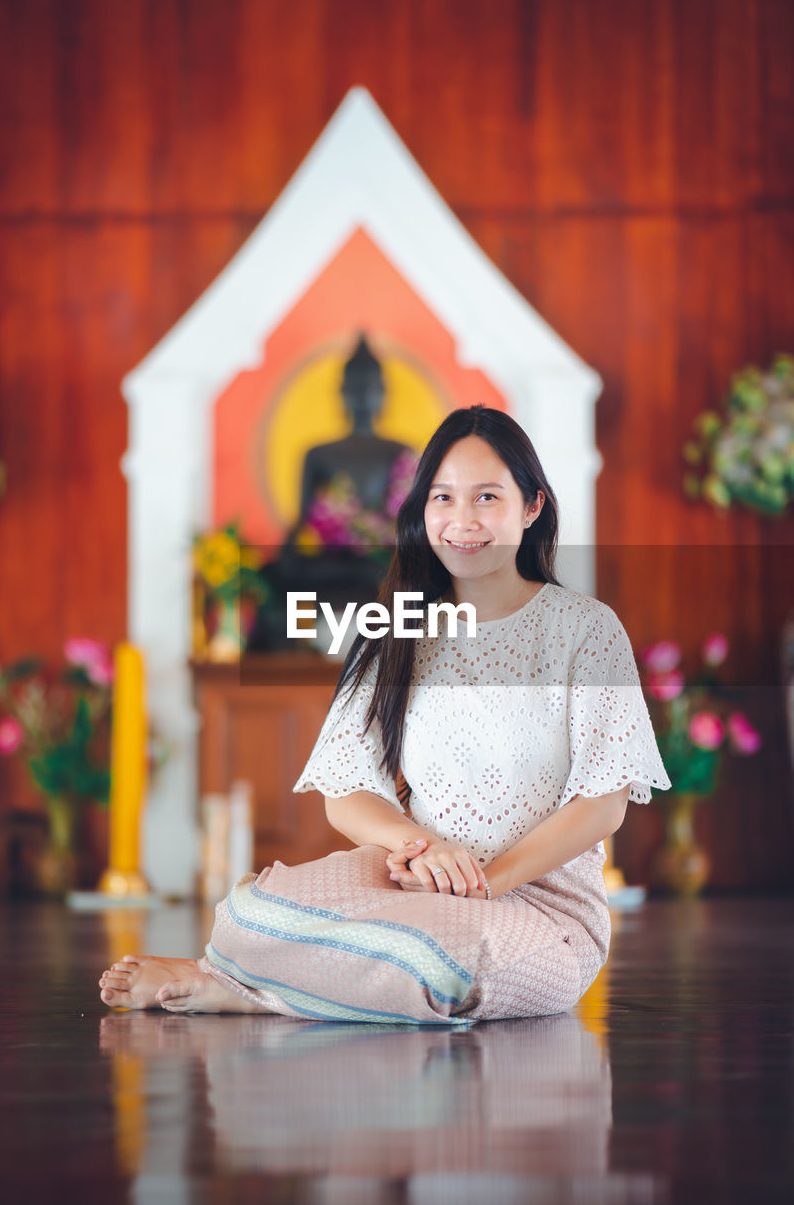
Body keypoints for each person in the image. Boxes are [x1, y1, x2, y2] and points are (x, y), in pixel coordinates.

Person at [99, 405, 671, 1021]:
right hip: (416, 885)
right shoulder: (395, 629)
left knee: (447, 964)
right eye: (442, 498)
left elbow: (605, 802)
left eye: (486, 498)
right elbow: (345, 791)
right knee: (246, 914)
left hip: (540, 909)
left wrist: (487, 882)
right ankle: (246, 976)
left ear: (531, 507)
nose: (461, 522)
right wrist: (417, 844)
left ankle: (241, 992)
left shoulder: (585, 629)